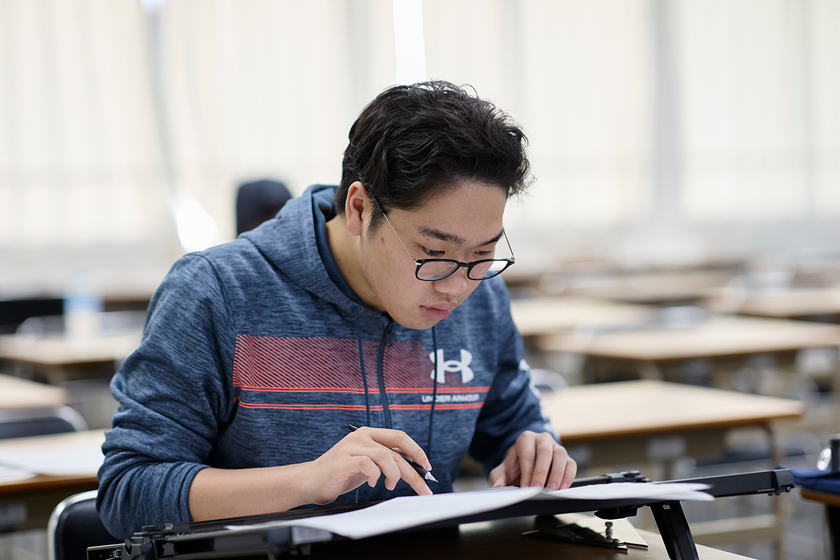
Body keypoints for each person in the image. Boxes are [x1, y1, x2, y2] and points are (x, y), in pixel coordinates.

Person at [97, 81, 576, 539]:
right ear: (359, 209)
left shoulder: (481, 296)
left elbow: (513, 424)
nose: (456, 287)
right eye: (433, 253)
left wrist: (532, 446)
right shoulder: (217, 292)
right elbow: (129, 492)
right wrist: (306, 481)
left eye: (482, 253)